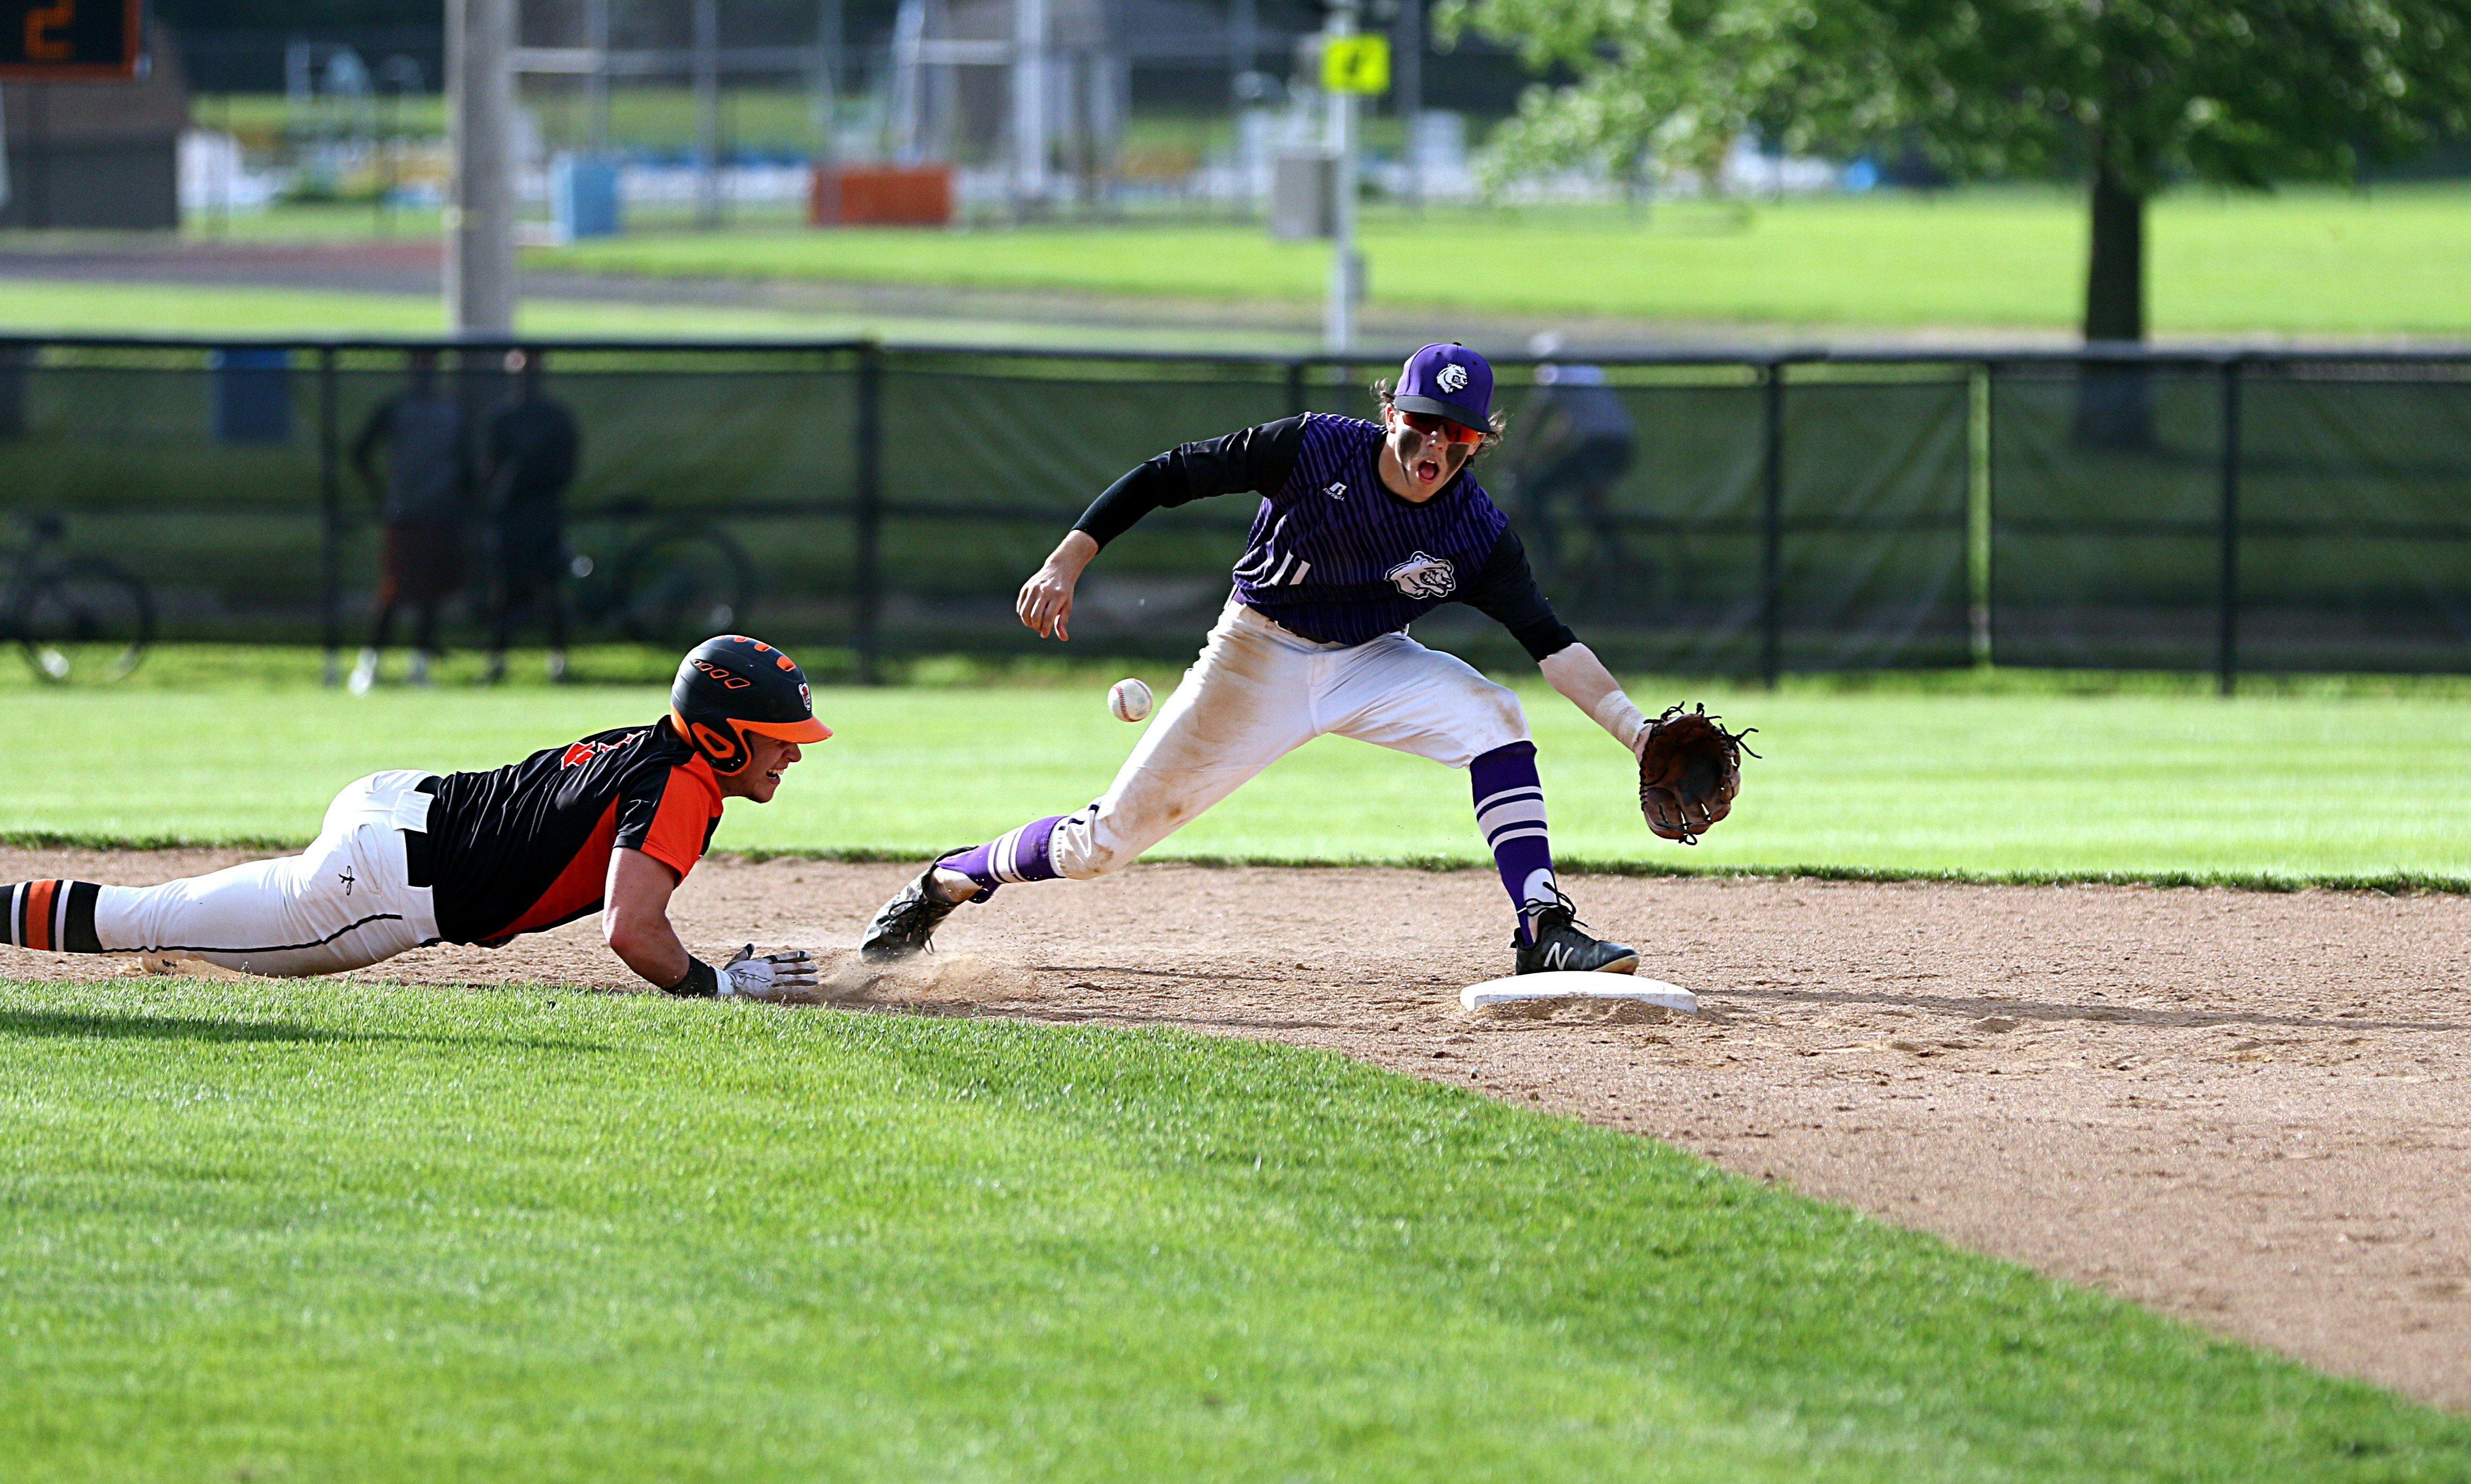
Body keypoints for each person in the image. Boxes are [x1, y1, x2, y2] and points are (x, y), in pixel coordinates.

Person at [861, 342, 1681, 977]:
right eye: (1420, 422)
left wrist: (1638, 735)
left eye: (1455, 434)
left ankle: (1541, 926)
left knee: (1494, 715)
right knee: (1100, 847)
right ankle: (948, 881)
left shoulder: (1476, 530)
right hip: (1256, 655)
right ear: (1389, 410)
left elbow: (1552, 642)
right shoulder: (1312, 449)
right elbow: (1166, 474)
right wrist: (1065, 561)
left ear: (1479, 442)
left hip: (1372, 662)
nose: (1432, 444)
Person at [2, 636, 831, 1000]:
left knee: (184, 917)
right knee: (143, 919)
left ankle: (189, 957)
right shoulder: (683, 783)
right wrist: (715, 986)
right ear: (724, 734)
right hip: (381, 885)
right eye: (779, 737)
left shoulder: (647, 746)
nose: (793, 754)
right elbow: (631, 931)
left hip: (398, 805)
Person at [349, 349, 470, 693]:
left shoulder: (450, 412)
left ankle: (419, 667)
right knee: (393, 589)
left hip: (441, 514)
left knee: (430, 594)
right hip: (404, 515)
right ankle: (369, 664)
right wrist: (383, 497)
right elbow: (360, 452)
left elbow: (465, 466)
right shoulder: (396, 408)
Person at [1505, 341, 1638, 598]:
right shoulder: (1587, 372)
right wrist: (1541, 454)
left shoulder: (1553, 376)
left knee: (1537, 492)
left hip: (1598, 446)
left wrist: (1517, 456)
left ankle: (1554, 560)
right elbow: (1567, 423)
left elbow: (1536, 418)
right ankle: (1618, 560)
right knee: (1586, 501)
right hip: (1618, 444)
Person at [484, 348, 582, 685]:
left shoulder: (556, 417)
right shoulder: (503, 417)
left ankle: (559, 662)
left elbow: (567, 467)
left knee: (549, 587)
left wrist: (535, 480)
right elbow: (490, 467)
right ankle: (496, 662)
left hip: (543, 515)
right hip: (510, 517)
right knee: (505, 590)